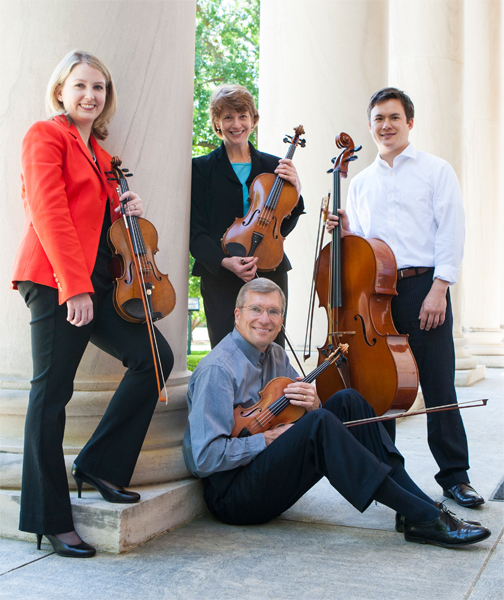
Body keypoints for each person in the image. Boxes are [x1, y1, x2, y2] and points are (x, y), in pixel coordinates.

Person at [182, 279, 490, 548]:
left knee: (347, 401)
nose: (265, 319)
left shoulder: (275, 355)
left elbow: (299, 419)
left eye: (273, 312)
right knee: (320, 424)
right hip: (235, 497)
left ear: (281, 319)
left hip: (268, 475)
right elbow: (203, 459)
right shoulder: (217, 370)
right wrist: (267, 440)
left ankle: (414, 507)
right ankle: (423, 516)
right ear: (237, 315)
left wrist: (312, 402)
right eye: (256, 310)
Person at [11, 50, 174, 558]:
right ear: (61, 90)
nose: (90, 95)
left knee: (155, 358)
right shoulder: (46, 135)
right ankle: (48, 518)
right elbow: (49, 212)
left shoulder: (101, 155)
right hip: (59, 279)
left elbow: (103, 223)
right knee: (51, 393)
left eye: (99, 88)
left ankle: (98, 464)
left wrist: (129, 207)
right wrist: (73, 285)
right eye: (80, 85)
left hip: (101, 281)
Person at [326, 87, 483, 508]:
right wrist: (341, 232)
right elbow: (359, 245)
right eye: (378, 118)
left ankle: (455, 477)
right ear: (371, 125)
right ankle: (389, 477)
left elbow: (451, 230)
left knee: (437, 384)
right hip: (376, 297)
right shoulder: (359, 184)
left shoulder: (436, 170)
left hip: (423, 287)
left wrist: (440, 288)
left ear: (409, 122)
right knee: (382, 390)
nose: (386, 125)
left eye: (394, 117)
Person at [190, 84, 304, 348]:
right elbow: (195, 232)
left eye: (243, 116)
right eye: (227, 117)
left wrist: (297, 189)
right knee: (225, 349)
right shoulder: (200, 169)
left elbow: (285, 220)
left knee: (271, 349)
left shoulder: (274, 166)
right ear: (217, 123)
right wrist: (225, 262)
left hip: (270, 270)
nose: (236, 124)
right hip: (221, 275)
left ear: (253, 120)